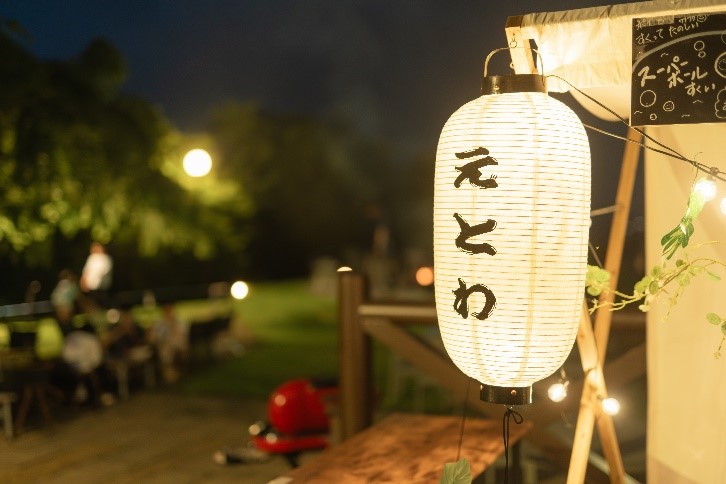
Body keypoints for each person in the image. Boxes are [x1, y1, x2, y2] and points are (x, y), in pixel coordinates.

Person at [149, 303, 188, 383]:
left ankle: (171, 373)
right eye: (166, 309)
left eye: (169, 309)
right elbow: (153, 338)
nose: (168, 312)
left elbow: (181, 336)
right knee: (165, 348)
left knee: (168, 347)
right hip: (164, 347)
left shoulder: (178, 322)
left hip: (177, 346)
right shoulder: (159, 323)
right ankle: (169, 373)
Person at [79, 242, 113, 309]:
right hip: (91, 285)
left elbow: (104, 271)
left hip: (101, 285)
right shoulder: (92, 258)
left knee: (102, 301)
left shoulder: (106, 258)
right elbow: (86, 270)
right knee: (93, 301)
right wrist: (84, 281)